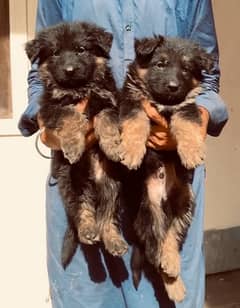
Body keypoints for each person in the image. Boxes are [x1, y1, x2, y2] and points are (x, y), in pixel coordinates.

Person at [18, 1, 228, 307]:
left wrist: (194, 123)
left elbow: (206, 75)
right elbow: (40, 72)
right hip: (86, 178)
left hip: (165, 181)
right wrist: (49, 124)